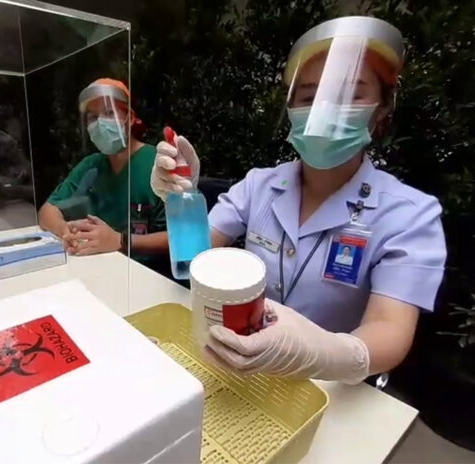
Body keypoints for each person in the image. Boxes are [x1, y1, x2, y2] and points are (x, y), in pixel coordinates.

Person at [151, 17, 446, 384]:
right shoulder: (260, 185)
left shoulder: (410, 214)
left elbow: (390, 329)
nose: (325, 109)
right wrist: (184, 201)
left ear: (383, 106)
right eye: (309, 96)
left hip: (333, 391)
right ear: (291, 107)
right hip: (243, 370)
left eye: (350, 94)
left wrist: (317, 353)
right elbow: (196, 262)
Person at [39, 78, 168, 266]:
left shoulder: (160, 163)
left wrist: (119, 240)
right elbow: (47, 211)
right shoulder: (91, 166)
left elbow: (185, 236)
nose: (99, 123)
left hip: (145, 275)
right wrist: (65, 229)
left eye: (109, 113)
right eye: (92, 117)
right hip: (96, 268)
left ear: (130, 118)